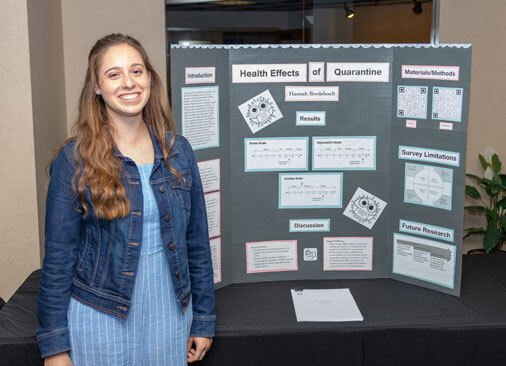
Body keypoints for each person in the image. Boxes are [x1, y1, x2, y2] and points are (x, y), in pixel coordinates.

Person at [36, 33, 215, 365]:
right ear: (97, 87)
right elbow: (58, 260)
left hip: (171, 315)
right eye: (113, 74)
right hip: (99, 315)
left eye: (136, 70)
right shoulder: (74, 159)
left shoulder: (179, 152)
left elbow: (197, 245)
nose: (128, 82)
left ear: (149, 78)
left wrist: (203, 319)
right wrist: (55, 347)